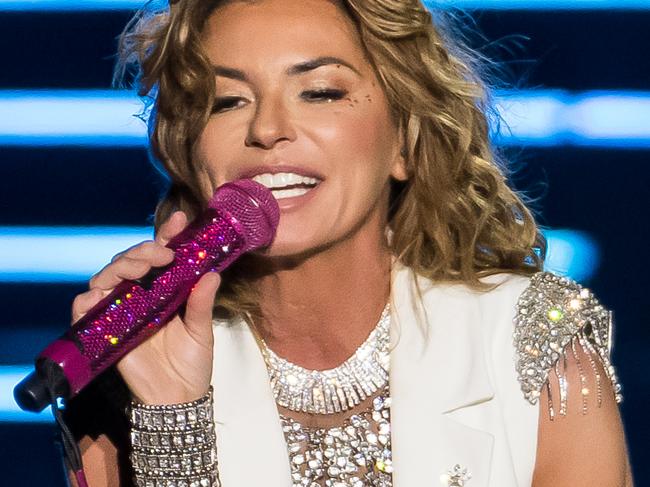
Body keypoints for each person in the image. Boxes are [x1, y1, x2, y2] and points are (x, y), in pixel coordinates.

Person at [64, 0, 632, 486]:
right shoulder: (126, 377)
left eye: (320, 92)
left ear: (404, 143)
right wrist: (173, 420)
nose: (266, 129)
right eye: (227, 101)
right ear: (188, 153)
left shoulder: (530, 339)